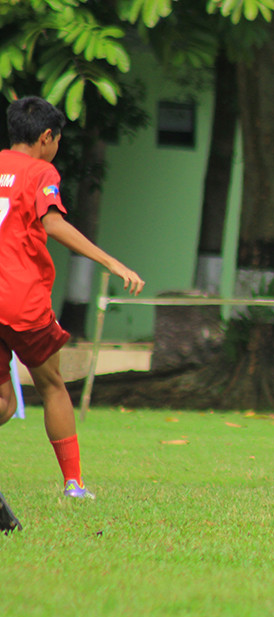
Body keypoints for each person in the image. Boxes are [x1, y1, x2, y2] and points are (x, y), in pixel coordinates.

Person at [0, 96, 145, 499]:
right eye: (57, 140)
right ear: (46, 136)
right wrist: (111, 262)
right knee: (52, 387)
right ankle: (74, 485)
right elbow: (53, 223)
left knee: (5, 404)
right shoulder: (40, 171)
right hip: (22, 301)